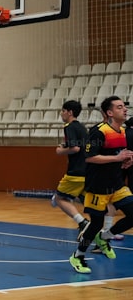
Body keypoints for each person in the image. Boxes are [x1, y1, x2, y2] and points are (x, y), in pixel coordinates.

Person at [69, 95, 133, 273]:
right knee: (95, 223)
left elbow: (118, 154)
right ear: (110, 112)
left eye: (124, 106)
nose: (125, 109)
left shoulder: (121, 131)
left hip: (117, 184)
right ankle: (78, 256)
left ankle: (105, 237)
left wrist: (126, 160)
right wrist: (117, 158)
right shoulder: (99, 131)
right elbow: (90, 157)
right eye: (120, 107)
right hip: (98, 186)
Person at [51, 100, 90, 232]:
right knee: (89, 204)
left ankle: (82, 222)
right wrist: (65, 144)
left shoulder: (69, 126)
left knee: (59, 198)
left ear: (70, 112)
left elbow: (75, 148)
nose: (61, 114)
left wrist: (60, 151)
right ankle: (98, 233)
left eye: (63, 111)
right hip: (87, 171)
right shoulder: (82, 128)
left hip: (76, 172)